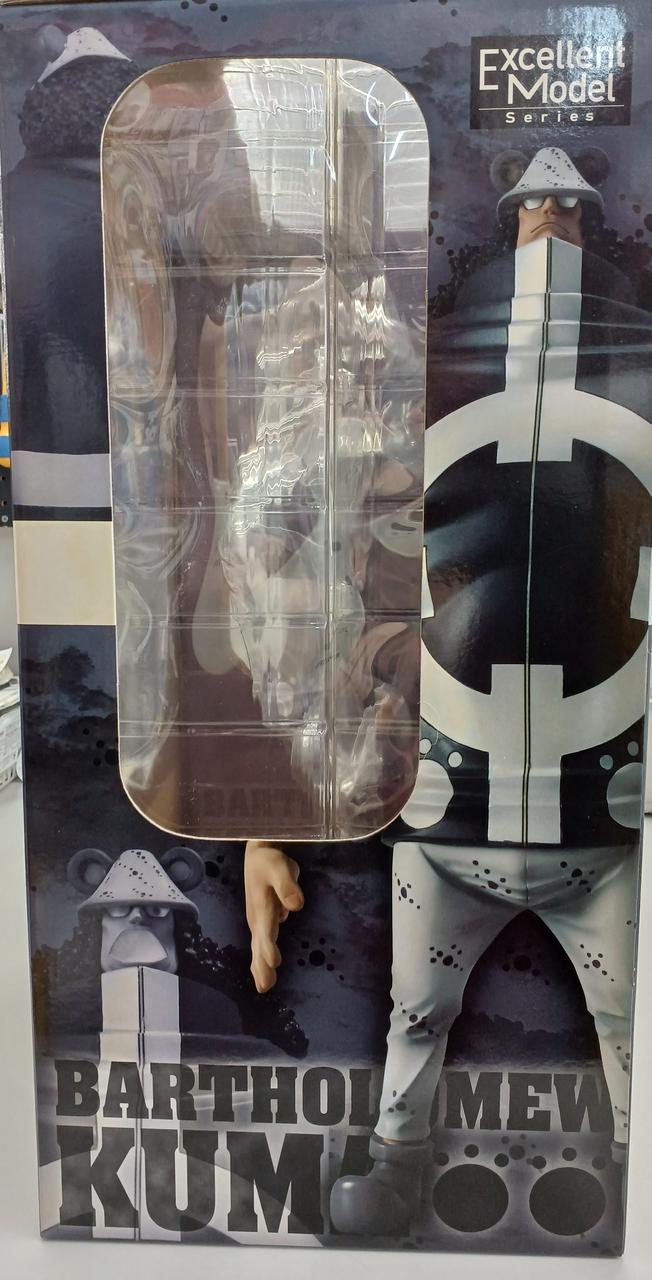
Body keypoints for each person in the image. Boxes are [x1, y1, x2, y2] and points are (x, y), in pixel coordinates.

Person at [243, 147, 652, 1234]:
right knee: (416, 1012)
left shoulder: (487, 390)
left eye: (566, 208)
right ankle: (395, 1161)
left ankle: (629, 1174)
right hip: (449, 814)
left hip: (594, 820)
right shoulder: (407, 401)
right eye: (536, 206)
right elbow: (319, 619)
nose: (549, 222)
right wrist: (269, 819)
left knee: (623, 1027)